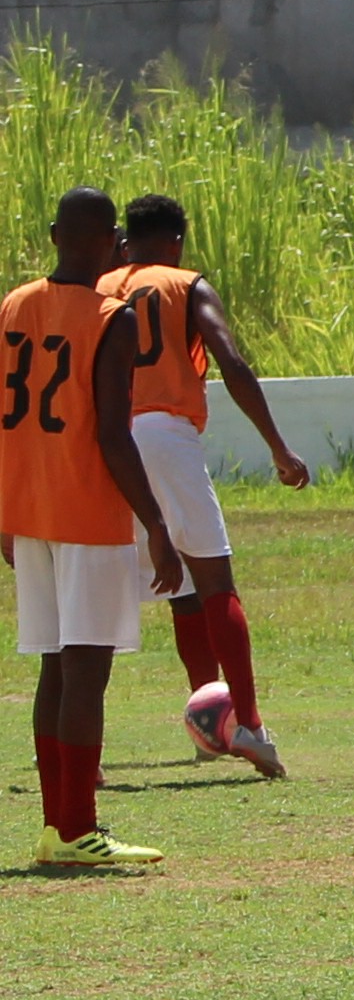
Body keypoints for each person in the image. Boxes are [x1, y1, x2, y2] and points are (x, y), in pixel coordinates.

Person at [8, 188, 183, 870]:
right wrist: (158, 525)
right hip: (86, 513)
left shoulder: (13, 306)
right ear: (112, 242)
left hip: (31, 512)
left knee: (55, 666)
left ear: (54, 234)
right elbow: (113, 435)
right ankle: (77, 828)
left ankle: (58, 826)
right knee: (87, 671)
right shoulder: (113, 317)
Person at [101, 191, 302, 776]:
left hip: (106, 442)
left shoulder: (98, 286)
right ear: (178, 241)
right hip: (164, 431)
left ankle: (94, 746)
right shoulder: (187, 284)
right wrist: (277, 445)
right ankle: (249, 725)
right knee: (214, 577)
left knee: (121, 591)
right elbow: (231, 362)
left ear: (126, 239)